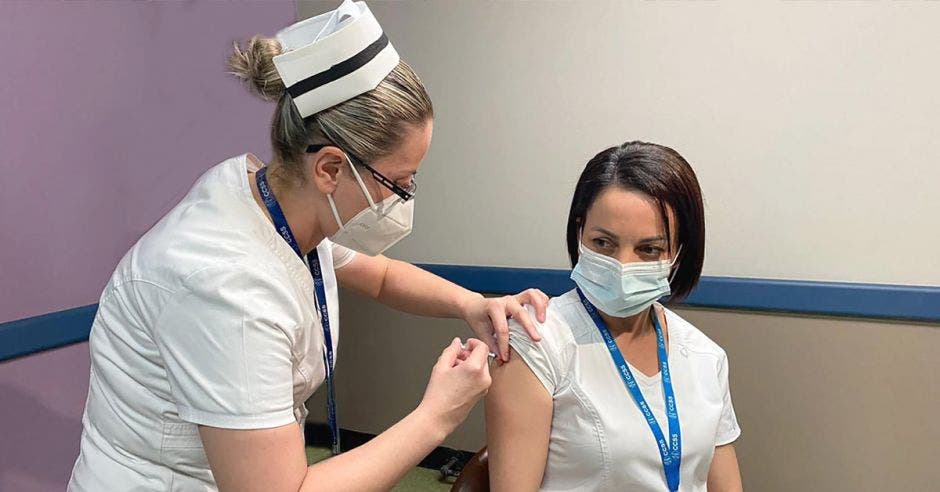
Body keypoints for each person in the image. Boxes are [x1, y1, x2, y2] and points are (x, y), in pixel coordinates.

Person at [67, 2, 547, 491]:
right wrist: (438, 415)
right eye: (398, 183)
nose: (402, 201)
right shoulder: (226, 286)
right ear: (331, 169)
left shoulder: (274, 204)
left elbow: (380, 277)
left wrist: (473, 304)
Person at [486, 141, 743, 491]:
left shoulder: (705, 357)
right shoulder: (536, 342)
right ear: (580, 233)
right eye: (604, 243)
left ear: (679, 252)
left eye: (649, 249)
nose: (623, 266)